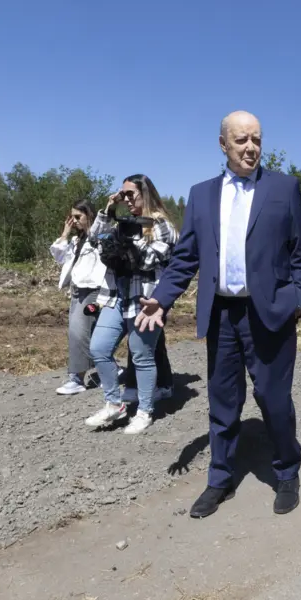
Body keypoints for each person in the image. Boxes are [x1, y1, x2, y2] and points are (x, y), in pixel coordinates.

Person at [136, 111, 301, 518]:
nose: (250, 147)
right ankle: (220, 480)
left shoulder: (284, 188)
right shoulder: (202, 195)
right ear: (223, 145)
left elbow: (300, 255)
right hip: (223, 316)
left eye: (256, 139)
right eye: (241, 140)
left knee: (273, 397)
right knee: (222, 401)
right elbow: (185, 259)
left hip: (270, 314)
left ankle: (287, 470)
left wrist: (299, 300)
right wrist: (161, 299)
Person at [83, 174, 177, 434]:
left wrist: (125, 244)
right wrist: (108, 211)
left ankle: (145, 411)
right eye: (122, 194)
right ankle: (114, 404)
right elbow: (93, 239)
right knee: (99, 347)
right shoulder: (123, 222)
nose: (126, 199)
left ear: (145, 194)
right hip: (115, 295)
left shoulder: (161, 225)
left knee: (142, 355)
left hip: (145, 299)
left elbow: (148, 261)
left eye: (130, 194)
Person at [50, 199, 107, 394]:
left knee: (78, 332)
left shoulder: (98, 236)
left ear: (89, 216)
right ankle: (107, 369)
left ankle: (77, 378)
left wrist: (106, 209)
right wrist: (65, 234)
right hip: (77, 292)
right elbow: (59, 256)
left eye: (78, 217)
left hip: (93, 292)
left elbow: (102, 224)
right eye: (72, 217)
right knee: (88, 334)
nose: (74, 221)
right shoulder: (76, 241)